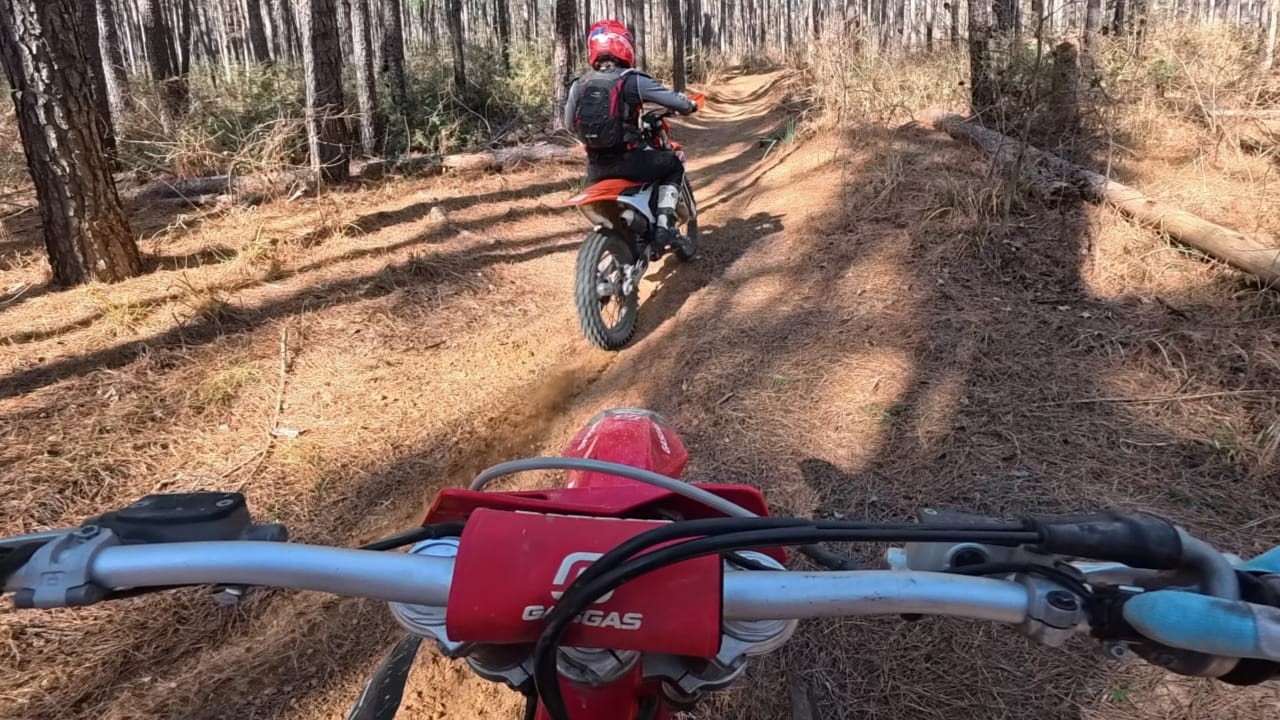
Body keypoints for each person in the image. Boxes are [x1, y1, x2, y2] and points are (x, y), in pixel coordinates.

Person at [563, 19, 698, 252]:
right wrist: (690, 105)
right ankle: (664, 224)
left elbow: (568, 124)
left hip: (595, 168)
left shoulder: (579, 84)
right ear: (624, 46)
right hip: (628, 161)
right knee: (673, 164)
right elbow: (676, 102)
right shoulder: (631, 79)